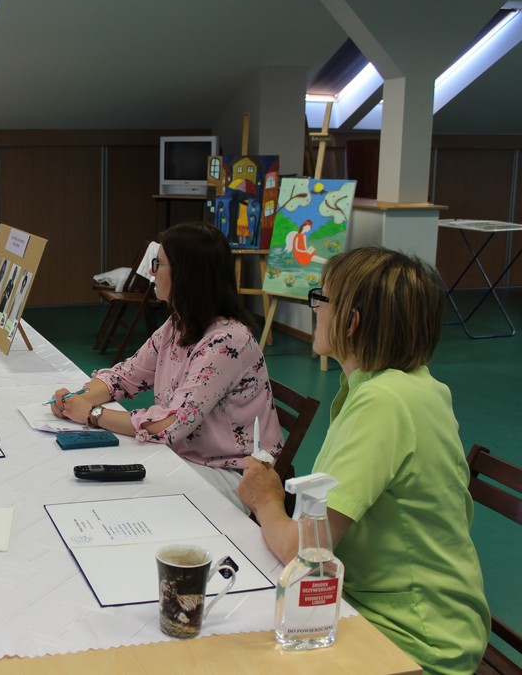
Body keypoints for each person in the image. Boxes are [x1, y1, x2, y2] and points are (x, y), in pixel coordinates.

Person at [237, 247, 490, 675]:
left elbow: (306, 550)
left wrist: (265, 499)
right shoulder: (412, 387)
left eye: (321, 299)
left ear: (351, 322)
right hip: (421, 614)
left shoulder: (382, 402)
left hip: (414, 636)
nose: (315, 309)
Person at [51, 223, 282, 508]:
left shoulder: (227, 341)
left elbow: (173, 424)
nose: (152, 273)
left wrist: (92, 414)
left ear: (187, 275)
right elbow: (126, 375)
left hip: (233, 474)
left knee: (123, 496)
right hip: (187, 456)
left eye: (158, 264)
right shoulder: (179, 324)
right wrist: (77, 400)